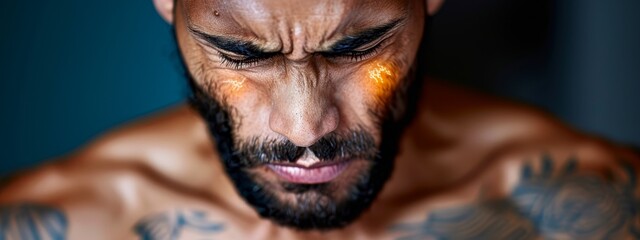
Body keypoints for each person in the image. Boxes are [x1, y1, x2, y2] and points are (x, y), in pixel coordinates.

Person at [1, 0, 638, 239]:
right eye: (242, 55)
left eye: (357, 49)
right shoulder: (61, 224)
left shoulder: (591, 213)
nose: (305, 131)